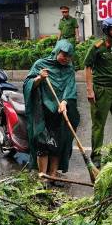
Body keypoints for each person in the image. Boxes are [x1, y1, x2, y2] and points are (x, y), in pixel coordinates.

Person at [23, 39, 79, 181]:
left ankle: (53, 176)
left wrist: (65, 102)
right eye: (63, 54)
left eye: (69, 56)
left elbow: (70, 88)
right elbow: (28, 85)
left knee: (57, 145)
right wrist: (39, 78)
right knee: (42, 144)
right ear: (56, 51)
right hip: (42, 112)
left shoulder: (69, 69)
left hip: (59, 113)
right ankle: (43, 178)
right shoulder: (41, 65)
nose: (66, 58)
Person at [85, 17, 112, 162]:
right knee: (98, 126)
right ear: (107, 31)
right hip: (101, 90)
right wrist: (90, 90)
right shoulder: (98, 46)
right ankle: (96, 157)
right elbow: (88, 67)